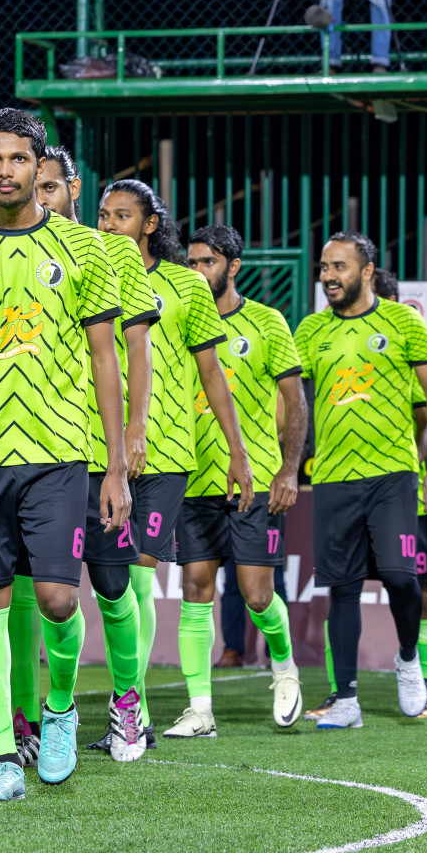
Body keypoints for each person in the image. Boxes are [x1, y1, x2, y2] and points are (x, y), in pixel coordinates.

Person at [0, 108, 131, 803]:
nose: (5, 171)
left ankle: (61, 707)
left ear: (41, 167)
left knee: (59, 598)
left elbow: (107, 359)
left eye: (18, 159)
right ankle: (4, 755)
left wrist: (117, 465)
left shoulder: (84, 250)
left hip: (60, 451)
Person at [97, 180, 253, 747]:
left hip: (165, 454)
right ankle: (126, 699)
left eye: (122, 215)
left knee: (139, 575)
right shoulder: (92, 277)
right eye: (103, 214)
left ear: (149, 223)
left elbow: (212, 373)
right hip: (99, 450)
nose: (109, 224)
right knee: (109, 583)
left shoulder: (185, 285)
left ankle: (130, 705)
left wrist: (238, 452)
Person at [22, 146, 156, 767]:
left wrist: (130, 435)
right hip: (33, 447)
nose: (42, 197)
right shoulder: (9, 247)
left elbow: (134, 347)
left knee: (109, 580)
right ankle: (35, 716)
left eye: (51, 187)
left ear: (73, 187)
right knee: (31, 591)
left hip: (96, 450)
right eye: (35, 186)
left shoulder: (111, 253)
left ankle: (128, 702)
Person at [292, 231, 427, 729]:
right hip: (334, 478)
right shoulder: (311, 330)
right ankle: (346, 699)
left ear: (367, 272)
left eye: (339, 267)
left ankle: (408, 658)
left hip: (393, 475)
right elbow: (290, 401)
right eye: (323, 267)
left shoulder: (404, 322)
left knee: (404, 577)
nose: (328, 277)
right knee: (342, 588)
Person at [175, 225, 306, 736]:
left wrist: (289, 469)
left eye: (205, 262)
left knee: (255, 595)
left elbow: (296, 403)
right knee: (195, 589)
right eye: (189, 263)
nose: (195, 271)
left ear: (232, 266)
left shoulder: (268, 323)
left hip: (251, 483)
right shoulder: (180, 321)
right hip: (193, 479)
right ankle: (201, 708)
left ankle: (285, 667)